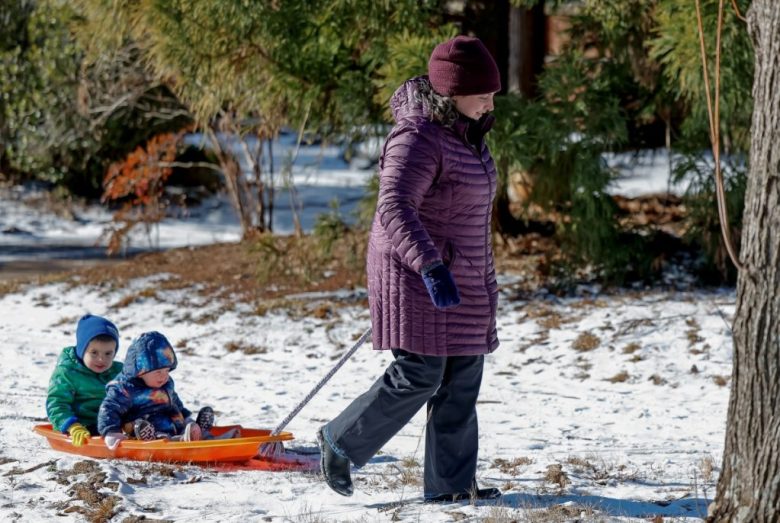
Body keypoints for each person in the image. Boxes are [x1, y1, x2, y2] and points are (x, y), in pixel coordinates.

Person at [317, 35, 502, 502]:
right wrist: (430, 265)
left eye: (493, 94)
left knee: (462, 379)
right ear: (451, 91)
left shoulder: (470, 136)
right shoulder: (418, 135)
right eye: (482, 93)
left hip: (461, 275)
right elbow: (394, 207)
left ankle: (451, 488)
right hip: (415, 272)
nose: (489, 102)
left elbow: (473, 220)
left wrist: (484, 279)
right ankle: (339, 441)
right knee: (421, 373)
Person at [97, 331, 215, 448]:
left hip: (172, 424)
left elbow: (176, 404)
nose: (164, 376)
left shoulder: (166, 384)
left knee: (181, 421)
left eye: (167, 371)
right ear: (140, 372)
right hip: (143, 429)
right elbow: (109, 408)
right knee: (148, 429)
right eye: (158, 372)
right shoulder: (125, 388)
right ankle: (173, 438)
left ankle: (196, 429)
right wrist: (111, 431)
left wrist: (186, 417)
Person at [46, 314, 123, 447]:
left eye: (108, 353)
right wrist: (72, 425)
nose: (101, 359)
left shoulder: (118, 372)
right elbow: (57, 403)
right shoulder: (67, 372)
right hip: (81, 426)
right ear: (82, 350)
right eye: (94, 352)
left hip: (112, 424)